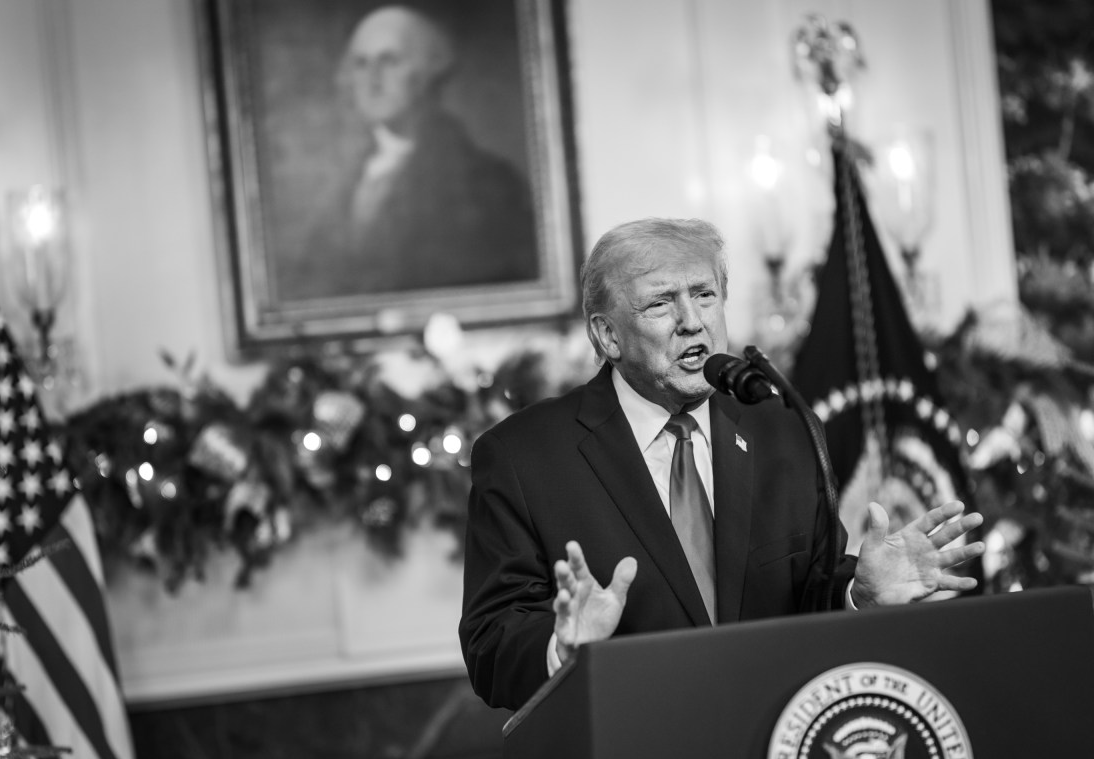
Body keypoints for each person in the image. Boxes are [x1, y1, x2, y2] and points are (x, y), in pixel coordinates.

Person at [458, 218, 984, 711]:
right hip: (627, 752)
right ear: (607, 336)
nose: (693, 322)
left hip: (767, 747)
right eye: (661, 305)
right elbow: (490, 644)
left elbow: (810, 594)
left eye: (705, 295)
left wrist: (858, 594)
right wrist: (561, 650)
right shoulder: (524, 456)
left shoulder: (782, 428)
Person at [292, 5, 537, 299]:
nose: (373, 79)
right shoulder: (345, 184)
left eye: (389, 61)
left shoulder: (489, 182)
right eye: (360, 63)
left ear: (426, 73)